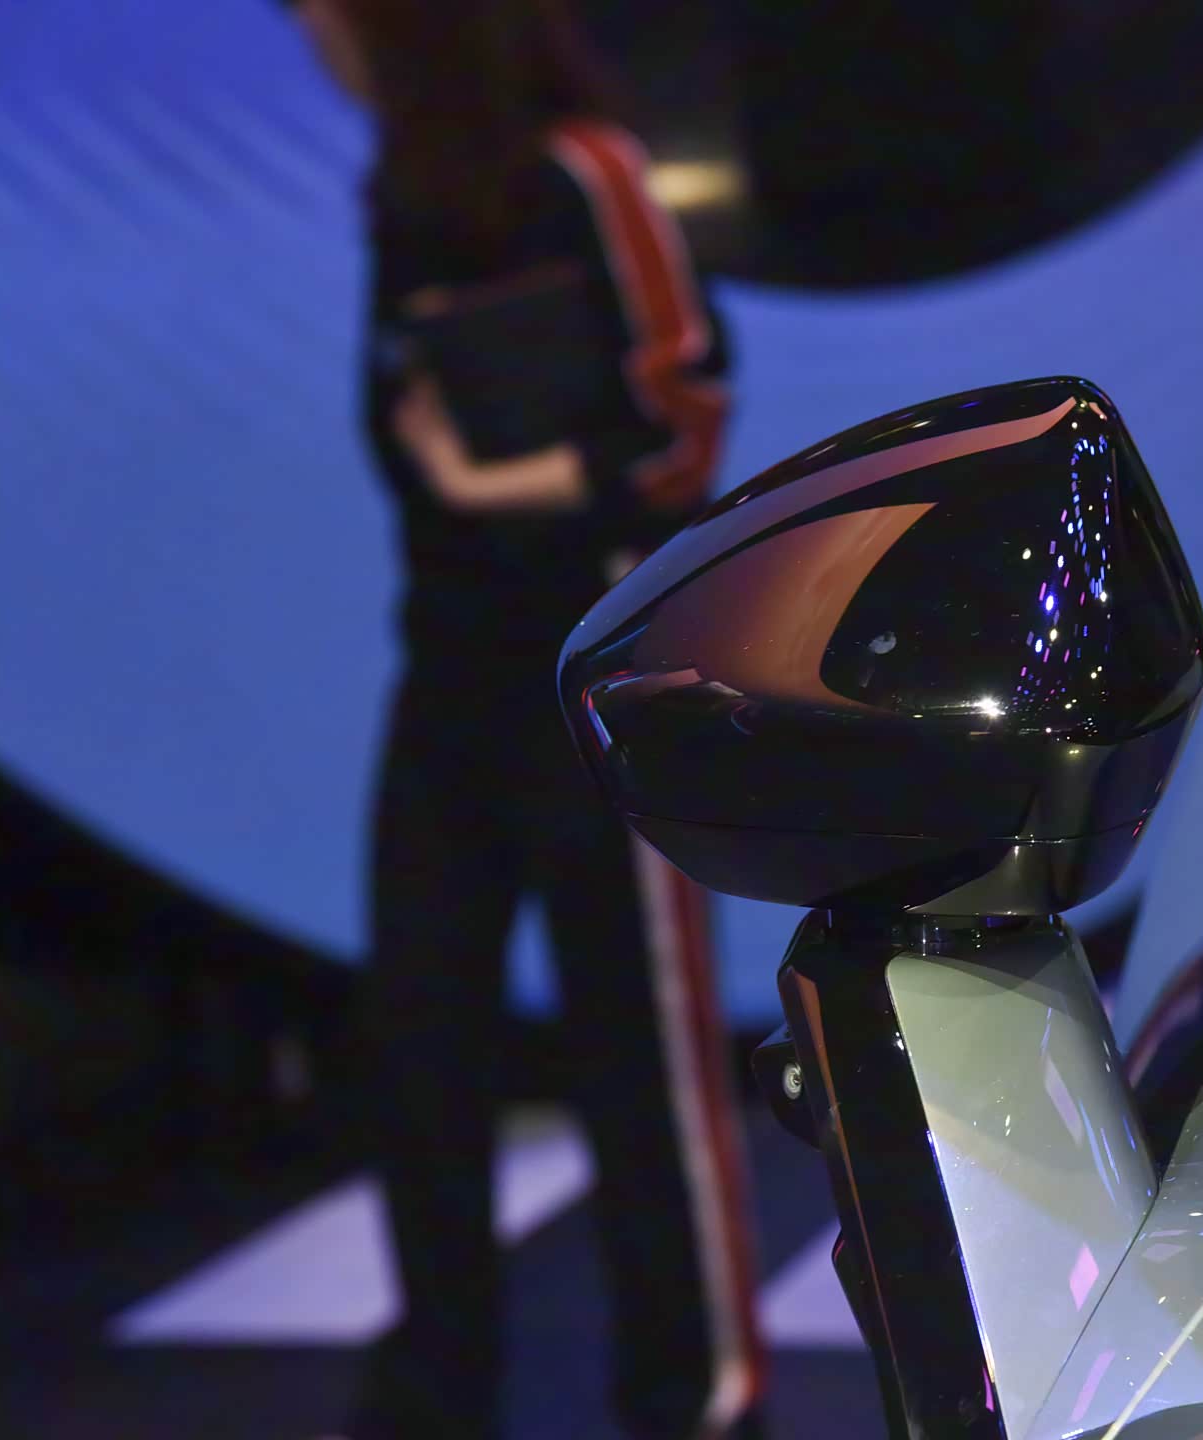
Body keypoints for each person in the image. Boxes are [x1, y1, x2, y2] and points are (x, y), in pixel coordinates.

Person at [282, 2, 763, 1436]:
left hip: (595, 681)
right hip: (446, 682)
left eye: (327, 19)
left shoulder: (584, 172)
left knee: (642, 1064)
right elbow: (403, 431)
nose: (317, 46)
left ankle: (697, 1400)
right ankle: (438, 1394)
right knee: (419, 1051)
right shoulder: (405, 198)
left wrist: (501, 484)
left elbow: (683, 416)